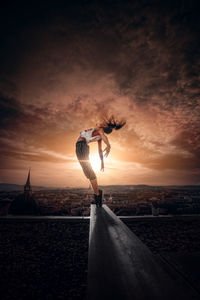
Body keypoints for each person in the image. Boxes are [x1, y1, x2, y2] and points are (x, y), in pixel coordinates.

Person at [75, 115, 126, 206]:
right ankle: (97, 194)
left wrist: (108, 146)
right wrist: (102, 161)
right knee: (87, 171)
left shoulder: (100, 132)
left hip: (82, 145)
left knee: (88, 171)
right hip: (81, 146)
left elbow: (101, 144)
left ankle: (97, 195)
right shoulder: (99, 132)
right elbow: (100, 147)